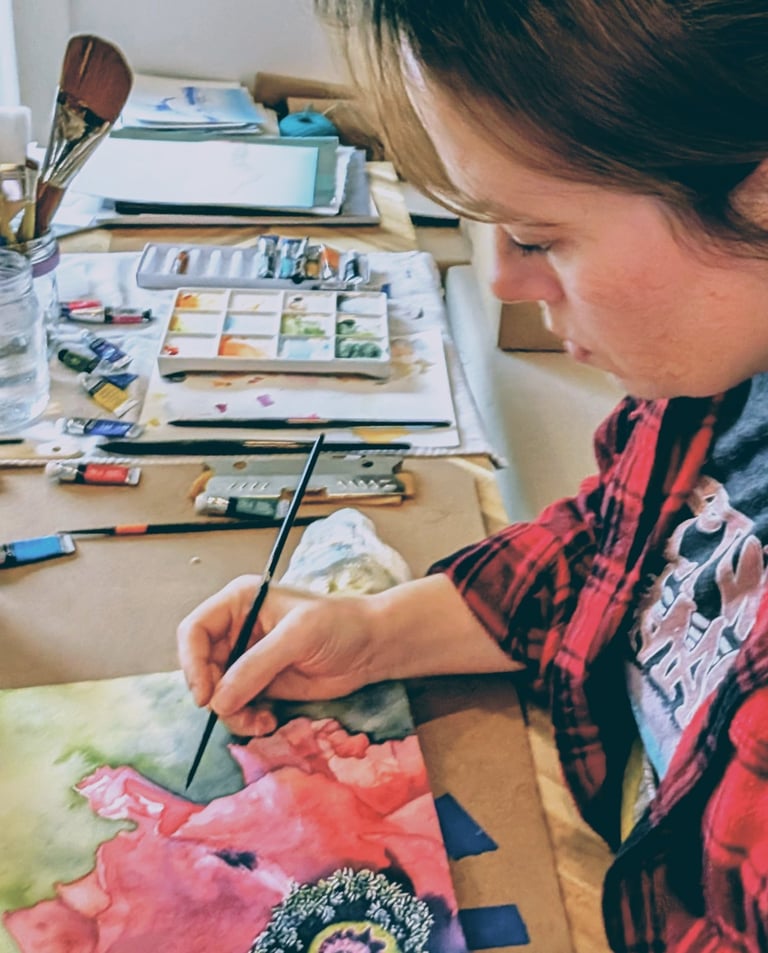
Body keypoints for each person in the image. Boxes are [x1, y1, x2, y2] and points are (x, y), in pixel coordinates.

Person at [177, 2, 768, 949]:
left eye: (536, 234)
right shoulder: (721, 383)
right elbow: (608, 547)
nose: (500, 278)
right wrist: (376, 633)